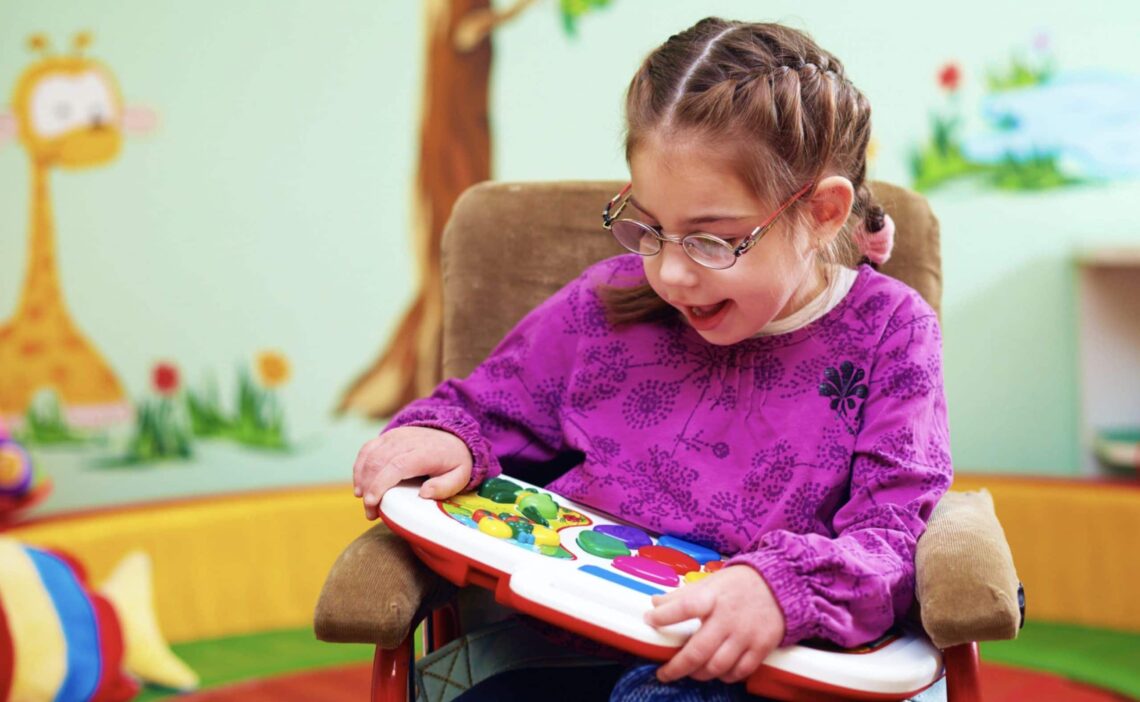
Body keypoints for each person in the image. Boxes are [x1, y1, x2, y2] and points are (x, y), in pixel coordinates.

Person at [352, 17, 951, 701]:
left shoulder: (891, 331)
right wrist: (446, 435)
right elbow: (487, 407)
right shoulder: (606, 301)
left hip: (758, 669)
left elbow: (893, 532)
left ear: (821, 213)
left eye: (711, 241)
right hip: (570, 644)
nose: (670, 273)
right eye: (651, 228)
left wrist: (781, 589)